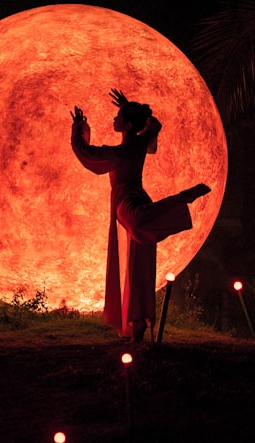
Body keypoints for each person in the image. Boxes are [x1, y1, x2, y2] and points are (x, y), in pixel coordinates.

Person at [70, 88, 210, 343]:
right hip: (139, 198)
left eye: (118, 116)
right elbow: (154, 125)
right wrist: (129, 106)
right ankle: (137, 326)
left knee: (137, 224)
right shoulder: (138, 143)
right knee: (139, 265)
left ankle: (180, 200)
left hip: (126, 201)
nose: (114, 120)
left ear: (128, 124)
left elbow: (86, 154)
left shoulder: (120, 153)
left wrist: (78, 129)